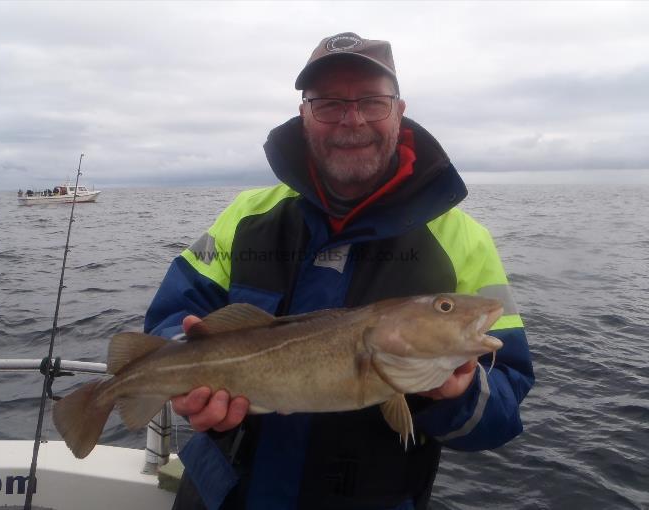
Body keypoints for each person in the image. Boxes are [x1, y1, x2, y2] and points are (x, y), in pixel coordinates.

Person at [145, 32, 534, 510]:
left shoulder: (467, 243)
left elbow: (506, 400)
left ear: (400, 110)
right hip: (219, 496)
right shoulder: (245, 217)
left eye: (372, 101)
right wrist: (185, 379)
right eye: (328, 104)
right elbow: (171, 318)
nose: (352, 121)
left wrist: (457, 392)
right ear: (304, 114)